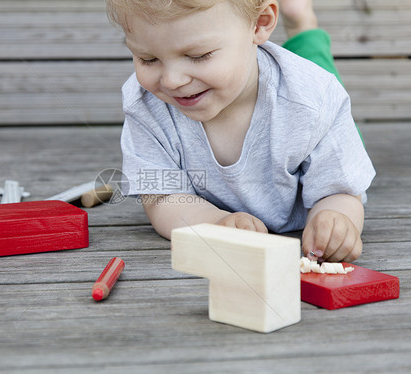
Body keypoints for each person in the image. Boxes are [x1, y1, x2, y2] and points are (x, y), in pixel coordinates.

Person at [106, 0, 375, 262]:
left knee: (318, 74)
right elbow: (163, 197)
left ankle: (302, 23)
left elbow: (342, 191)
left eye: (198, 56)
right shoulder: (146, 104)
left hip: (298, 105)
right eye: (148, 59)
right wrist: (214, 223)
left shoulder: (314, 100)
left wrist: (335, 219)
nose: (173, 80)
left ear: (259, 24)